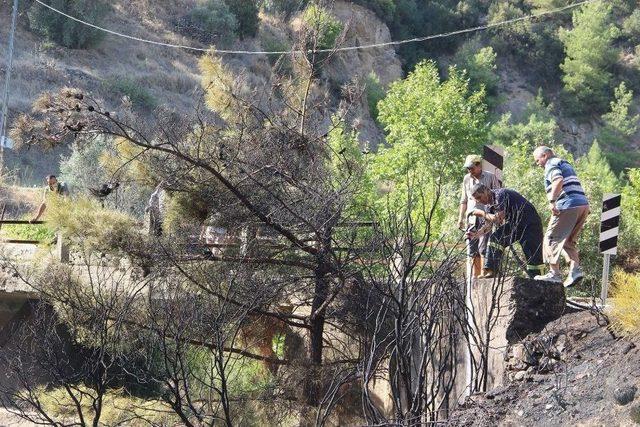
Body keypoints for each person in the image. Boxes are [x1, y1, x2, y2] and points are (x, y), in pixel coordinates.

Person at [532, 146, 589, 287]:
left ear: (544, 156)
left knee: (550, 238)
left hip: (567, 204)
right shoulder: (564, 163)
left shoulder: (551, 164)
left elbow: (558, 180)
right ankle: (575, 270)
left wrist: (552, 201)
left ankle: (554, 274)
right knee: (568, 241)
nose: (537, 163)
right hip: (582, 205)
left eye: (537, 160)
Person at [468, 184, 545, 279]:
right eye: (476, 199)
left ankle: (539, 280)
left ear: (486, 190)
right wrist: (477, 234)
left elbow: (498, 218)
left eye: (479, 197)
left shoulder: (500, 195)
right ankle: (491, 271)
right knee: (495, 237)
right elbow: (488, 226)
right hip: (515, 224)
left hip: (530, 223)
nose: (479, 201)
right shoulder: (488, 206)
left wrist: (481, 213)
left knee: (533, 256)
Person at [458, 154, 501, 277]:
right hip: (471, 218)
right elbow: (464, 200)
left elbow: (497, 197)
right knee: (472, 248)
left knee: (484, 246)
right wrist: (460, 218)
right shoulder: (467, 179)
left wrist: (494, 216)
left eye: (471, 167)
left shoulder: (490, 177)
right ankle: (474, 276)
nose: (469, 170)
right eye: (468, 168)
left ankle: (483, 273)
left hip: (486, 217)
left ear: (478, 165)